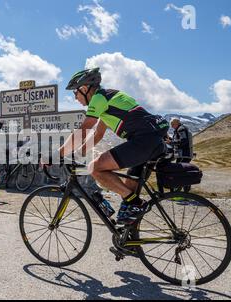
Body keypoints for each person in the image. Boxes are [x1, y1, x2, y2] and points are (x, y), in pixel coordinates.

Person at [58, 68, 169, 225]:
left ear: (84, 89)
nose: (75, 98)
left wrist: (57, 154)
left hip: (144, 142)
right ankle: (129, 240)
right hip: (150, 141)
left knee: (95, 168)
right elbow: (98, 134)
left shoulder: (99, 98)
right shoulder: (109, 98)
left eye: (75, 93)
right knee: (128, 190)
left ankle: (137, 204)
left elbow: (84, 129)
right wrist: (79, 153)